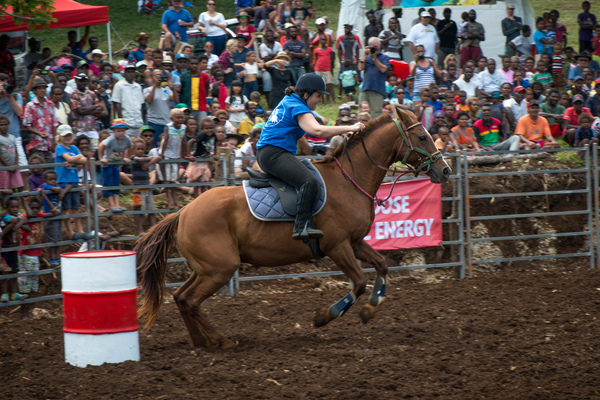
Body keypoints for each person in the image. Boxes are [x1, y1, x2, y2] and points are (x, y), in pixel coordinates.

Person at [256, 73, 363, 241]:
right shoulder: (297, 106)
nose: (320, 99)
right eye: (318, 95)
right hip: (274, 154)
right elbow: (317, 131)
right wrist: (351, 128)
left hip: (271, 153)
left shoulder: (291, 101)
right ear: (305, 94)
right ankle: (301, 226)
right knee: (309, 181)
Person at [19, 197, 58, 295]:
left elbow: (55, 213)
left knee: (35, 273)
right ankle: (24, 293)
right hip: (25, 252)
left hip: (35, 252)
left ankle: (32, 293)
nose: (35, 210)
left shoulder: (39, 215)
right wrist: (24, 201)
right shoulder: (24, 217)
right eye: (32, 208)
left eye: (37, 208)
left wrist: (45, 197)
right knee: (25, 274)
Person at [98, 119, 133, 212]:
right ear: (113, 131)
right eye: (118, 131)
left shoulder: (126, 138)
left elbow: (131, 146)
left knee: (116, 183)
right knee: (108, 184)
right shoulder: (111, 139)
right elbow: (101, 146)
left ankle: (117, 204)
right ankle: (112, 205)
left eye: (123, 131)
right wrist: (101, 158)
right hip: (107, 165)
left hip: (116, 164)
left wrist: (127, 157)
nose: (121, 133)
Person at [23, 77, 58, 163]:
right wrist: (39, 133)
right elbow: (27, 125)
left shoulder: (50, 105)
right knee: (38, 170)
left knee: (49, 170)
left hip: (49, 144)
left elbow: (54, 124)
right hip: (36, 145)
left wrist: (54, 141)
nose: (42, 90)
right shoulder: (30, 106)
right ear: (34, 91)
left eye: (43, 88)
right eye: (39, 88)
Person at [0, 198, 29, 302]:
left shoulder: (18, 216)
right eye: (12, 207)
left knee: (14, 270)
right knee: (3, 271)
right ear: (7, 208)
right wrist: (21, 221)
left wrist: (21, 221)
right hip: (4, 248)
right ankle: (4, 294)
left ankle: (14, 293)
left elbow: (28, 229)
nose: (15, 209)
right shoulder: (3, 217)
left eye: (17, 207)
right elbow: (13, 228)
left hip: (13, 248)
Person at [129, 139, 160, 235]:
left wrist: (147, 165)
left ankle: (154, 228)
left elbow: (157, 158)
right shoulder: (133, 157)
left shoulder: (146, 157)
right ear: (134, 149)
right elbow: (139, 160)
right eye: (138, 149)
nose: (140, 151)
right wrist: (148, 160)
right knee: (139, 210)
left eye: (142, 149)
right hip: (137, 189)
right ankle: (140, 230)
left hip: (147, 187)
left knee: (151, 209)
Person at [70, 72, 105, 150]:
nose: (83, 82)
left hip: (92, 129)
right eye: (81, 80)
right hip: (79, 129)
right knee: (81, 152)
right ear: (76, 80)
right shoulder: (74, 94)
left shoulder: (92, 93)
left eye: (84, 81)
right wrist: (94, 107)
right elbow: (80, 111)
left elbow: (99, 109)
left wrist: (86, 109)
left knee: (95, 150)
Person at [159, 109, 186, 208]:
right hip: (167, 154)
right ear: (172, 119)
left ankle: (175, 199)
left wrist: (182, 155)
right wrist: (161, 154)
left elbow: (183, 141)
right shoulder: (168, 127)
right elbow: (165, 140)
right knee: (167, 179)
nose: (180, 119)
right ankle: (169, 199)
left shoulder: (183, 128)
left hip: (176, 155)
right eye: (178, 117)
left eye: (182, 117)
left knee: (173, 179)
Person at [358, 37, 390, 118]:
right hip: (365, 88)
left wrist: (374, 58)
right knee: (362, 112)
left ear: (379, 45)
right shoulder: (366, 57)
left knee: (376, 113)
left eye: (375, 46)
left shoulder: (384, 57)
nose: (374, 48)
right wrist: (364, 54)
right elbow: (360, 68)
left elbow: (383, 69)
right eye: (372, 46)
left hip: (377, 89)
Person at [145, 69, 177, 146]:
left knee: (167, 145)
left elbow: (175, 100)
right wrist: (155, 85)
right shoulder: (147, 90)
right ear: (152, 77)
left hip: (166, 122)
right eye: (157, 75)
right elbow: (149, 100)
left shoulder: (166, 90)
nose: (159, 77)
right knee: (154, 144)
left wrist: (172, 89)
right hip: (153, 122)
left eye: (160, 75)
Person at [186, 116, 216, 197]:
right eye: (206, 128)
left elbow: (216, 143)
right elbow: (189, 142)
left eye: (211, 128)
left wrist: (215, 153)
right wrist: (189, 155)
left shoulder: (213, 135)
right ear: (202, 129)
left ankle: (203, 198)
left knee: (204, 181)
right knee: (196, 182)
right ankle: (196, 198)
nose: (209, 130)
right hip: (198, 160)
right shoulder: (201, 136)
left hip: (205, 161)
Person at [112, 64, 144, 138]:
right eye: (128, 72)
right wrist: (121, 121)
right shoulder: (119, 85)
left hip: (138, 122)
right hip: (126, 122)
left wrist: (141, 119)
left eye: (132, 72)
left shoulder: (138, 86)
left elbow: (141, 105)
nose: (130, 74)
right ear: (124, 73)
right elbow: (117, 104)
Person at [181, 56, 210, 121]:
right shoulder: (183, 76)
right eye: (192, 64)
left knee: (203, 127)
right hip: (187, 108)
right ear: (188, 64)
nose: (194, 65)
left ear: (198, 64)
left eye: (196, 64)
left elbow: (206, 92)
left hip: (201, 108)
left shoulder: (205, 76)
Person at [0, 114, 23, 192]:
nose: (4, 126)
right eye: (1, 125)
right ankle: (5, 204)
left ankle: (20, 201)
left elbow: (16, 151)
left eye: (5, 124)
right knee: (4, 186)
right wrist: (7, 165)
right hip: (3, 167)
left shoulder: (12, 137)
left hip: (14, 166)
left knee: (18, 184)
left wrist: (16, 164)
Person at [313, 35, 336, 104]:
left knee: (329, 85)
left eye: (324, 40)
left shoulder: (329, 49)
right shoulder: (317, 50)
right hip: (319, 69)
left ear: (326, 41)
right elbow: (316, 59)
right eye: (322, 40)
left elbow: (332, 59)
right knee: (320, 86)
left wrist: (331, 68)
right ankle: (322, 101)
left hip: (327, 70)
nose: (323, 41)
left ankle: (333, 100)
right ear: (320, 41)